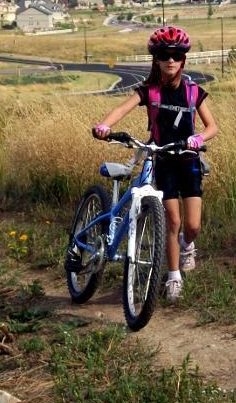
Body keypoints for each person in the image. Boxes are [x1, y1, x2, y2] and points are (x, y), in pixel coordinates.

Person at [93, 26, 218, 302]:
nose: (170, 60)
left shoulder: (194, 91)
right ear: (156, 60)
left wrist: (198, 139)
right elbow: (121, 109)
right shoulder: (149, 91)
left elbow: (212, 126)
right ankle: (173, 277)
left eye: (176, 55)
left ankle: (187, 246)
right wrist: (104, 125)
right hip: (163, 161)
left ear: (183, 59)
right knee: (172, 221)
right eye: (164, 55)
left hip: (189, 161)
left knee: (193, 226)